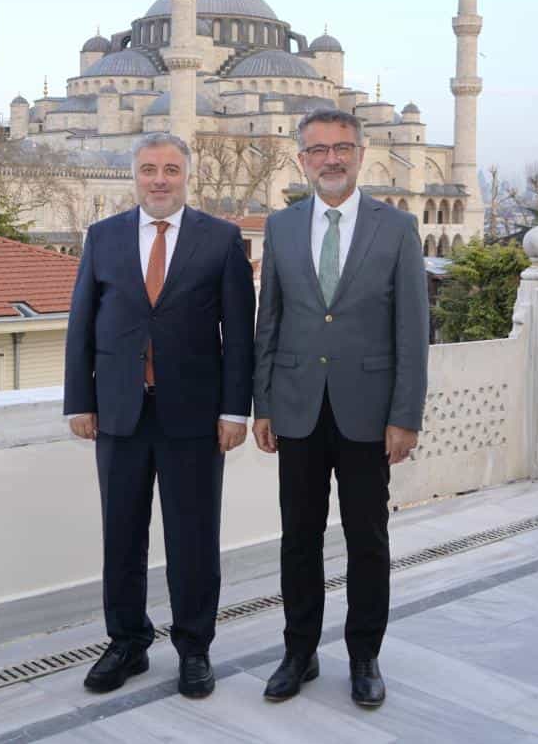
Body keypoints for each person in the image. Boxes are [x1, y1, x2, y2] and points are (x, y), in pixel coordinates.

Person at [64, 131, 256, 698]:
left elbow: (239, 337)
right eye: (149, 169)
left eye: (171, 169)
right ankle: (127, 643)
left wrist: (234, 411)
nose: (159, 179)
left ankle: (194, 648)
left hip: (194, 418)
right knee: (121, 537)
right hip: (119, 414)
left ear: (186, 175)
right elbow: (82, 325)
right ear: (135, 175)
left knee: (193, 539)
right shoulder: (102, 237)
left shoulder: (220, 241)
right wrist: (80, 400)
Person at [251, 107, 428, 708]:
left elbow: (412, 329)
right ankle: (298, 653)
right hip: (297, 408)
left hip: (368, 412)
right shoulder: (281, 226)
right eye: (319, 149)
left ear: (360, 154)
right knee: (298, 537)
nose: (331, 158)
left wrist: (405, 415)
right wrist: (263, 404)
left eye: (342, 148)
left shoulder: (396, 227)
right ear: (302, 158)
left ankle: (364, 657)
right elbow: (268, 320)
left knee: (366, 538)